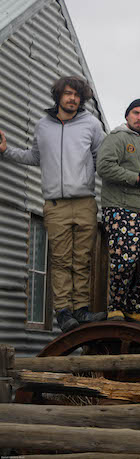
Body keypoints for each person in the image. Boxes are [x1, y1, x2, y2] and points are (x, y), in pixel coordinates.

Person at [0, 76, 106, 332]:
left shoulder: (91, 124)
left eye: (77, 95)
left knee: (82, 259)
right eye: (68, 94)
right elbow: (35, 156)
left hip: (84, 202)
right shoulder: (42, 126)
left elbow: (103, 160)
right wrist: (6, 151)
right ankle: (63, 312)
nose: (73, 99)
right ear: (58, 96)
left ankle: (81, 310)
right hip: (55, 204)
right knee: (60, 259)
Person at [96, 99, 140, 326]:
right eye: (135, 113)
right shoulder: (116, 138)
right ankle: (115, 307)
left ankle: (134, 306)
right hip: (120, 208)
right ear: (127, 116)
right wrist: (136, 177)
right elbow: (104, 167)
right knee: (125, 262)